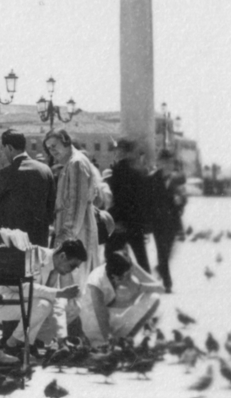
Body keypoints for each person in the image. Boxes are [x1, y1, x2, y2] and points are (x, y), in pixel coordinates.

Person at [44, 129, 100, 282]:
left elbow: (77, 202)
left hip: (77, 229)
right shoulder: (71, 163)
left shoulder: (76, 163)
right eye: (49, 148)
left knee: (76, 276)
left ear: (66, 142)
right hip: (76, 226)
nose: (52, 150)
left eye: (54, 145)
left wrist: (66, 235)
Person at [0, 130, 53, 245]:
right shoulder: (46, 170)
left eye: (2, 148)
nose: (2, 152)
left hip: (11, 242)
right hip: (39, 239)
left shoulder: (6, 173)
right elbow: (51, 206)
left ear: (9, 147)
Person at [80, 250, 163, 347]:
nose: (129, 277)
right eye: (126, 275)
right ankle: (121, 343)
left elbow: (160, 288)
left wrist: (139, 286)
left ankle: (123, 340)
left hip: (111, 317)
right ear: (115, 277)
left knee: (154, 298)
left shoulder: (122, 265)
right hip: (94, 325)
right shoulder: (97, 283)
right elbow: (101, 316)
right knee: (110, 343)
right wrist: (110, 342)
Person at [106, 139, 154, 272]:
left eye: (118, 150)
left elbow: (121, 198)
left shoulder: (119, 169)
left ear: (123, 152)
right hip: (136, 223)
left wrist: (118, 221)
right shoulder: (139, 171)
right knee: (142, 258)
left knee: (110, 254)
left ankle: (111, 284)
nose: (115, 153)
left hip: (122, 222)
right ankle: (148, 284)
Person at [149, 149, 186, 291]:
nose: (170, 165)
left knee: (168, 252)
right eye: (167, 162)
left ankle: (160, 270)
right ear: (160, 163)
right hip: (158, 223)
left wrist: (180, 200)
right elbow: (147, 201)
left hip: (173, 222)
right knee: (162, 252)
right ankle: (167, 283)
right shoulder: (152, 179)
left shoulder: (176, 179)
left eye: (171, 162)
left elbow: (183, 200)